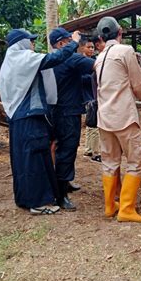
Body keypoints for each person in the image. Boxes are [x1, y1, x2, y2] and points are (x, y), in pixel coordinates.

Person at [0, 28, 81, 215]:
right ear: (22, 42)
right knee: (35, 158)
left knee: (23, 159)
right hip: (29, 117)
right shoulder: (22, 57)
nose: (33, 44)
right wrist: (74, 43)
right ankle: (39, 202)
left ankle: (25, 199)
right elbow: (54, 59)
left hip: (19, 117)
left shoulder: (10, 61)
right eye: (30, 41)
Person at [95, 16, 141, 222]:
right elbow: (138, 83)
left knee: (110, 161)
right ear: (120, 32)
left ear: (101, 37)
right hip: (124, 117)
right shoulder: (126, 51)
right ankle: (127, 209)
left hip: (104, 117)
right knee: (136, 161)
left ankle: (110, 206)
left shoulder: (99, 58)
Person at [48, 28, 95, 211]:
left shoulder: (50, 59)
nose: (74, 43)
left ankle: (65, 183)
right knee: (67, 151)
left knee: (64, 149)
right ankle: (61, 196)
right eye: (70, 40)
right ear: (61, 44)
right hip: (68, 112)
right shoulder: (69, 58)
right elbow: (97, 65)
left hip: (56, 110)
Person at [79, 36, 101, 163]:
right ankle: (95, 152)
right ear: (82, 47)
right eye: (89, 47)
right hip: (87, 97)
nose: (91, 49)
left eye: (92, 47)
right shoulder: (81, 62)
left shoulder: (92, 61)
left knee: (90, 124)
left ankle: (89, 149)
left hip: (91, 96)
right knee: (94, 126)